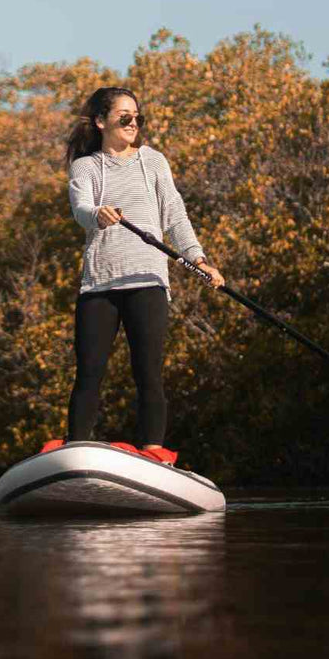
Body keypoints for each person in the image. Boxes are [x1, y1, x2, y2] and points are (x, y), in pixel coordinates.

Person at [55, 87, 226, 465]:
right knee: (89, 373)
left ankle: (153, 450)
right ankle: (75, 450)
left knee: (147, 372)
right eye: (124, 117)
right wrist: (97, 213)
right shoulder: (86, 166)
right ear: (101, 122)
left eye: (137, 117)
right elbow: (80, 207)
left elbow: (175, 214)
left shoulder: (153, 162)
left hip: (148, 280)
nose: (133, 123)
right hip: (100, 284)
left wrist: (198, 258)